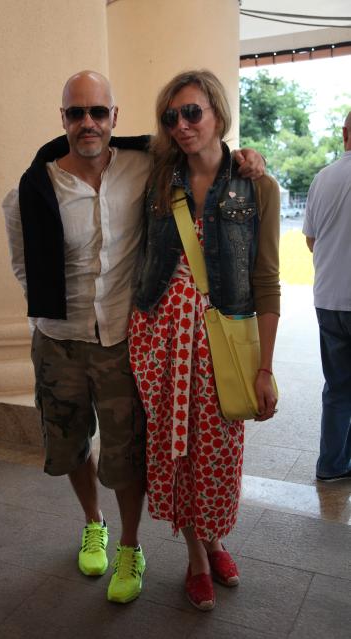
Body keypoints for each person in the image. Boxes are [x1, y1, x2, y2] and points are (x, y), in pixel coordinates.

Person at [2, 69, 266, 605]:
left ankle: (130, 546)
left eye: (98, 111)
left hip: (124, 336)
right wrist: (51, 310)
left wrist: (246, 157)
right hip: (60, 339)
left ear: (114, 117)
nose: (88, 122)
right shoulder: (32, 188)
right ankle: (93, 524)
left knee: (129, 452)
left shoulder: (145, 165)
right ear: (62, 119)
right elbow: (23, 265)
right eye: (76, 113)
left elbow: (204, 153)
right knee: (70, 444)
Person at [129, 69, 280, 611]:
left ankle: (216, 540)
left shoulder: (257, 185)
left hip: (222, 342)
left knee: (218, 450)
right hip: (161, 338)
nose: (182, 125)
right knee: (176, 451)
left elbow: (266, 280)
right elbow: (96, 139)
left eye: (193, 112)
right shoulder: (158, 179)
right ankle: (196, 556)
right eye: (171, 117)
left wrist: (264, 368)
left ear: (218, 112)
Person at [303, 110, 351, 483]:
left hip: (329, 299)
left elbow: (311, 240)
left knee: (337, 387)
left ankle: (331, 465)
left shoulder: (323, 178)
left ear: (344, 134)